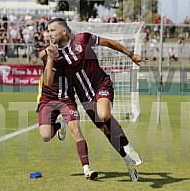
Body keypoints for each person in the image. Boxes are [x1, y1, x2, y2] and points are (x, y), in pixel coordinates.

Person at [41, 17, 144, 182]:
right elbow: (45, 75)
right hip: (85, 99)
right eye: (48, 31)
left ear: (64, 31)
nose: (49, 34)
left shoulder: (82, 39)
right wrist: (48, 56)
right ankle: (127, 160)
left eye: (52, 30)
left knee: (104, 115)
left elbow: (108, 43)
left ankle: (129, 148)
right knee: (106, 130)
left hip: (101, 85)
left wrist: (131, 55)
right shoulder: (55, 55)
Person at [38, 48, 98, 180]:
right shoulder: (51, 50)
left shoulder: (74, 55)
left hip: (67, 100)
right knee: (45, 136)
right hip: (48, 99)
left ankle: (87, 169)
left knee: (76, 131)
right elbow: (40, 55)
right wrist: (49, 53)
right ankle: (60, 125)